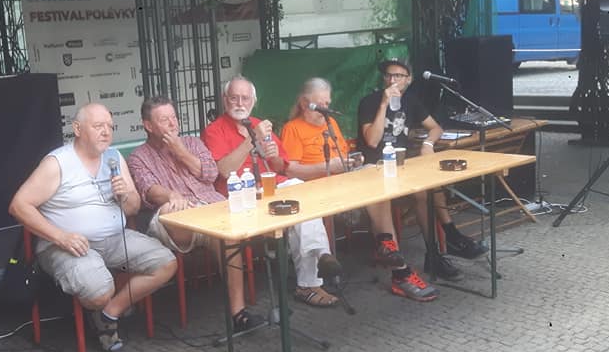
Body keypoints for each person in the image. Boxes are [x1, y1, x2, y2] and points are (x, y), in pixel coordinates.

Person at [9, 103, 177, 352]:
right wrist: (61, 237)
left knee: (166, 263)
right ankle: (101, 305)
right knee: (99, 292)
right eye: (98, 126)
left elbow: (132, 208)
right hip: (66, 245)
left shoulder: (114, 157)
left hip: (114, 238)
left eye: (110, 126)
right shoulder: (58, 162)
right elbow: (19, 205)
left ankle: (109, 313)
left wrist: (125, 195)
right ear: (77, 129)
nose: (106, 132)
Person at [281, 77, 439, 301]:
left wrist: (353, 160)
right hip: (315, 189)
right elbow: (291, 171)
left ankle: (387, 246)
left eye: (328, 103)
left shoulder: (330, 123)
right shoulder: (293, 128)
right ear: (305, 103)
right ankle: (396, 264)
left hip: (342, 180)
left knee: (376, 178)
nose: (325, 109)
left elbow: (343, 155)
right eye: (320, 105)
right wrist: (328, 167)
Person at [127, 96, 264, 331]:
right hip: (179, 221)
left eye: (174, 118)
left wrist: (180, 152)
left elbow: (211, 174)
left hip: (210, 211)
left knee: (228, 237)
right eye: (164, 120)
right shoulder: (138, 157)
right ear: (148, 125)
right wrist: (171, 195)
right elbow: (148, 190)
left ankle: (238, 314)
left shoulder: (191, 142)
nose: (172, 124)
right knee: (170, 210)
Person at [202, 75, 341, 308]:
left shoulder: (260, 124)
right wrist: (252, 140)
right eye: (234, 98)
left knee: (302, 196)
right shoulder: (214, 131)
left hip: (272, 186)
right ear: (225, 100)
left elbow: (281, 167)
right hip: (241, 196)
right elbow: (224, 170)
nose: (240, 103)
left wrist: (273, 155)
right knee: (295, 213)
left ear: (253, 101)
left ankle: (319, 259)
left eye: (245, 98)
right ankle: (312, 277)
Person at [357, 58, 487, 280]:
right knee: (414, 192)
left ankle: (439, 248)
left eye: (399, 76)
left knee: (428, 188)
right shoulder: (370, 102)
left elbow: (435, 127)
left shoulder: (410, 101)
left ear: (408, 80)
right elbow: (371, 141)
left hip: (401, 164)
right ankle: (440, 247)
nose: (393, 80)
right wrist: (383, 105)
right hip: (375, 166)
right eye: (389, 75)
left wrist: (427, 144)